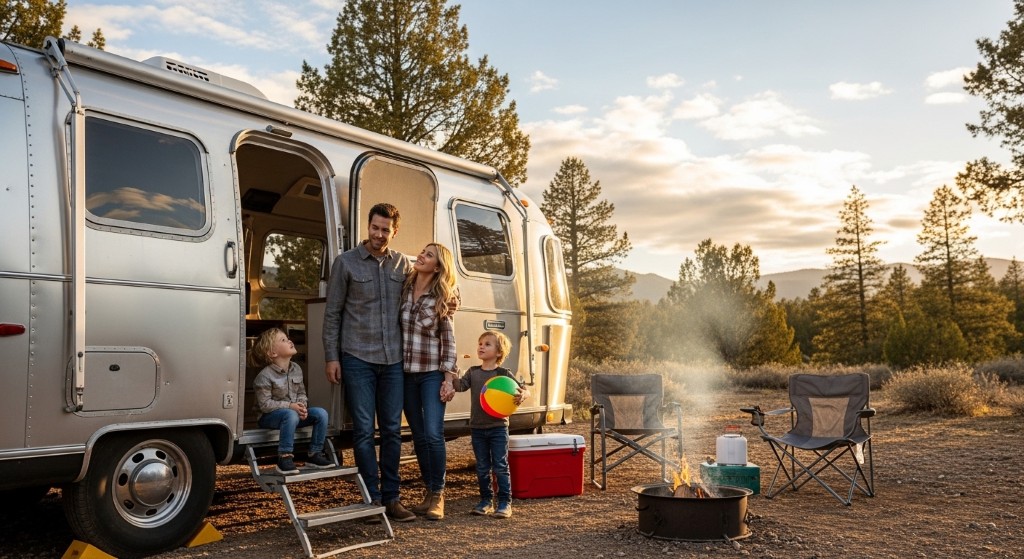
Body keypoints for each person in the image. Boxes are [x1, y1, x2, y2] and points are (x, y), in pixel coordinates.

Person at [322, 202, 416, 522]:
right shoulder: (345, 263)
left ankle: (392, 498)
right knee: (363, 431)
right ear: (368, 226)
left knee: (391, 430)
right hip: (357, 357)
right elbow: (332, 314)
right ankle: (371, 500)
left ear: (394, 231)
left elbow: (425, 295)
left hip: (393, 361)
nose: (378, 234)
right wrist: (332, 357)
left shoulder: (403, 264)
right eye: (374, 228)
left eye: (385, 230)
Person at [401, 243, 460, 521]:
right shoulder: (404, 287)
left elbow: (448, 340)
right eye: (422, 251)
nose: (421, 255)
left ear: (437, 267)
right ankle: (428, 492)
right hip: (405, 373)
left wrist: (449, 377)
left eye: (428, 255)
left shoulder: (442, 297)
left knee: (434, 434)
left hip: (431, 373)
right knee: (419, 436)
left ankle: (438, 495)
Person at [448, 330, 527, 519]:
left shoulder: (503, 374)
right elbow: (460, 387)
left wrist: (524, 394)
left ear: (499, 352)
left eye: (487, 344)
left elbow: (523, 390)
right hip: (477, 427)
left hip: (498, 427)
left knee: (500, 465)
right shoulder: (473, 372)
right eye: (480, 343)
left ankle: (504, 503)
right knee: (482, 466)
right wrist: (452, 376)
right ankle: (485, 501)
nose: (481, 346)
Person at [250, 328, 333, 474]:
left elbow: (301, 392)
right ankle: (285, 457)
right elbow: (265, 405)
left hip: (293, 415)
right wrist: (290, 406)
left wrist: (302, 406)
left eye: (287, 338)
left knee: (321, 413)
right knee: (290, 414)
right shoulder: (264, 376)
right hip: (269, 417)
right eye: (283, 340)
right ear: (272, 353)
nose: (289, 340)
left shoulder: (296, 369)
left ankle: (314, 454)